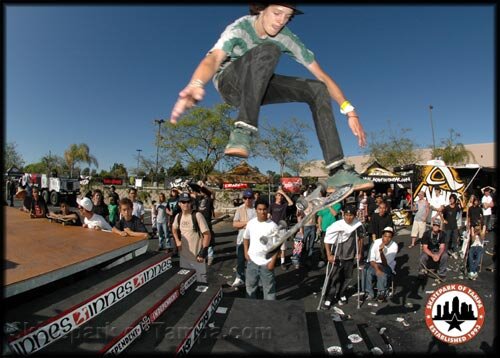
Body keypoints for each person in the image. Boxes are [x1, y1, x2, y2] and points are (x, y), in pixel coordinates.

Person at [169, 3, 373, 195]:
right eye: (277, 13)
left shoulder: (287, 37)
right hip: (230, 83)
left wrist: (350, 111)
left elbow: (322, 75)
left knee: (317, 89)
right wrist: (196, 84)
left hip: (260, 88)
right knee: (269, 49)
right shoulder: (239, 28)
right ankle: (243, 130)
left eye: (287, 16)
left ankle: (337, 170)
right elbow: (213, 59)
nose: (281, 21)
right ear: (261, 9)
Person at [321, 204, 364, 308]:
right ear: (343, 214)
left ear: (355, 215)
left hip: (350, 255)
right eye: (346, 215)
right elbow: (327, 240)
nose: (348, 217)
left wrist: (359, 253)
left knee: (347, 277)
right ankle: (329, 297)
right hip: (338, 255)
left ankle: (341, 293)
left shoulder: (357, 225)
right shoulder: (337, 225)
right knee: (334, 277)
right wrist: (328, 254)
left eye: (351, 215)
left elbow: (360, 238)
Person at [243, 198, 279, 300]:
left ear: (267, 210)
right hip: (252, 262)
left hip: (266, 263)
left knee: (269, 290)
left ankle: (269, 311)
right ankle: (250, 308)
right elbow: (246, 238)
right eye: (259, 209)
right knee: (250, 288)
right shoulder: (251, 223)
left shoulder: (273, 226)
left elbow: (277, 246)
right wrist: (246, 252)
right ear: (256, 210)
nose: (262, 212)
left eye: (264, 209)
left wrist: (272, 261)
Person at [172, 192, 211, 283]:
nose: (186, 204)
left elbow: (207, 234)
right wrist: (177, 241)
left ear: (191, 203)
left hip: (197, 259)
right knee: (186, 283)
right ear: (179, 204)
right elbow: (174, 229)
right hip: (184, 258)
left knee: (201, 284)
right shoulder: (178, 216)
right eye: (183, 202)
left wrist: (203, 252)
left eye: (188, 202)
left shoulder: (197, 216)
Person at [363, 226, 398, 302]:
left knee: (383, 272)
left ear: (391, 238)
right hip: (375, 264)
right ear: (382, 236)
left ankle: (382, 292)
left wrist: (381, 252)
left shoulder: (394, 246)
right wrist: (376, 269)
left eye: (389, 237)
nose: (387, 239)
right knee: (367, 271)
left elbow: (385, 264)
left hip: (387, 265)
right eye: (385, 236)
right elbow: (371, 258)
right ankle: (369, 292)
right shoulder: (376, 242)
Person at [231, 188, 256, 287]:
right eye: (245, 198)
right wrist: (248, 223)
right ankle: (239, 278)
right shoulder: (240, 209)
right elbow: (234, 224)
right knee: (240, 260)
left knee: (253, 262)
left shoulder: (257, 209)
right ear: (243, 199)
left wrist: (245, 225)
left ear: (253, 198)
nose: (248, 200)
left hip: (254, 240)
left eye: (250, 198)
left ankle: (253, 280)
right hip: (241, 240)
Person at [269, 188, 294, 269]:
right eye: (278, 195)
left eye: (281, 196)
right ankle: (272, 261)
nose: (280, 197)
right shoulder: (272, 205)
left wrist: (284, 193)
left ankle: (282, 263)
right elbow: (269, 216)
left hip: (283, 229)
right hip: (274, 229)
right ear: (276, 196)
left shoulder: (284, 205)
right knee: (273, 246)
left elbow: (291, 203)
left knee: (283, 247)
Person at [316, 198, 342, 269]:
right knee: (323, 245)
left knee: (334, 245)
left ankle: (333, 259)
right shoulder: (322, 206)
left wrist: (329, 206)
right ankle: (323, 259)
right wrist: (319, 226)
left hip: (334, 229)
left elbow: (335, 214)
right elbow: (320, 217)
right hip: (324, 229)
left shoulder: (337, 205)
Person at [196, 185, 216, 265]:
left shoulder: (209, 199)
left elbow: (213, 192)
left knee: (209, 239)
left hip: (207, 222)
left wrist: (204, 186)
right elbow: (191, 194)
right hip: (200, 222)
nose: (201, 192)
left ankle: (210, 256)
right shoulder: (199, 199)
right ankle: (203, 255)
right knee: (201, 239)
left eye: (202, 191)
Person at [441, 193, 461, 258]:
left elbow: (461, 211)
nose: (451, 200)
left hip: (454, 226)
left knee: (455, 239)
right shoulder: (447, 208)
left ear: (455, 200)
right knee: (447, 240)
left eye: (453, 199)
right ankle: (445, 252)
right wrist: (443, 220)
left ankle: (455, 251)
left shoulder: (457, 207)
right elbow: (441, 213)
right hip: (448, 226)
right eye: (450, 198)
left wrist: (460, 200)